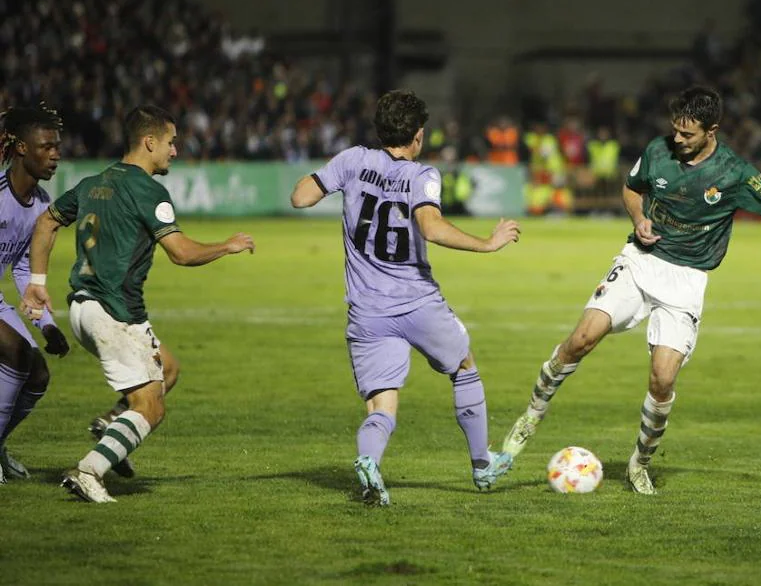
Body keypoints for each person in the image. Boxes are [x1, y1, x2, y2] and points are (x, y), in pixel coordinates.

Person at [496, 85, 761, 494]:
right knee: (581, 339)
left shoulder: (734, 172)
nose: (678, 140)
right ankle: (531, 415)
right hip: (639, 261)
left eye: (688, 134)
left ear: (712, 130)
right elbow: (633, 188)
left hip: (687, 280)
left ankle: (639, 462)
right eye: (675, 132)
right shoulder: (657, 150)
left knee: (662, 379)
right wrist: (638, 219)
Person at [290, 90, 520, 505]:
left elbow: (300, 197)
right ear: (417, 135)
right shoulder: (422, 175)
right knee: (464, 366)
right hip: (417, 302)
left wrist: (337, 178)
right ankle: (482, 466)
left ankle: (369, 464)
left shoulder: (353, 160)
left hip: (366, 311)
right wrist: (487, 244)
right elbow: (430, 227)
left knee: (382, 403)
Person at [21, 105, 256, 503]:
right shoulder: (148, 189)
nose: (175, 151)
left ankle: (113, 427)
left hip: (82, 307)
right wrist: (227, 246)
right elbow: (180, 252)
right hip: (115, 313)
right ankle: (89, 470)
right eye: (171, 142)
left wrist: (37, 282)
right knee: (151, 408)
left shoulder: (94, 182)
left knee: (169, 368)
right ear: (150, 142)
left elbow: (47, 221)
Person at [0, 105, 71, 483]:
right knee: (13, 351)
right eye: (46, 146)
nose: (55, 154)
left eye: (57, 146)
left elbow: (26, 270)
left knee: (38, 373)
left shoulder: (42, 204)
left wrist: (47, 325)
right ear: (22, 149)